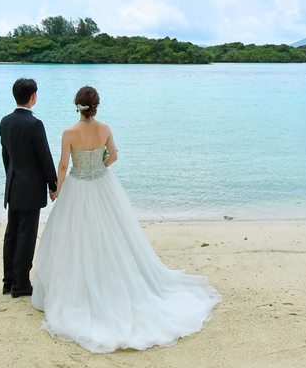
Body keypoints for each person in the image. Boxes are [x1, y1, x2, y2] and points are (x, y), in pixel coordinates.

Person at [31, 86, 221, 353]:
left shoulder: (69, 132)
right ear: (96, 105)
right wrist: (99, 168)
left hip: (77, 187)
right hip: (103, 185)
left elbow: (63, 165)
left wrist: (57, 189)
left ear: (77, 105)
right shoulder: (105, 128)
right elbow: (115, 156)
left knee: (74, 237)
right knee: (114, 235)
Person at [0, 77, 57, 298]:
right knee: (26, 235)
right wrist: (53, 184)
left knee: (11, 233)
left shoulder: (5, 122)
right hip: (31, 187)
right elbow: (44, 157)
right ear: (33, 97)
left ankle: (8, 281)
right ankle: (21, 284)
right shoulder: (35, 124)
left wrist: (10, 178)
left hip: (13, 184)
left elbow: (6, 156)